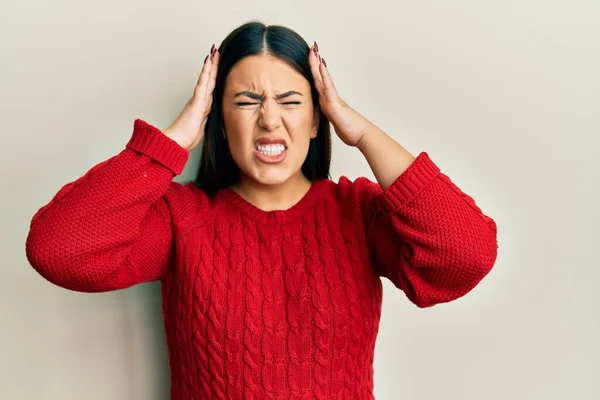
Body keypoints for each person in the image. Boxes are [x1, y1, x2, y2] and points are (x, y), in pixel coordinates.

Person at [25, 20, 498, 400]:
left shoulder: (359, 213)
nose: (270, 120)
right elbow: (57, 250)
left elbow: (467, 256)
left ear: (317, 119)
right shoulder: (181, 219)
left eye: (291, 102)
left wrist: (361, 132)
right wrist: (174, 138)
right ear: (218, 121)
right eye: (246, 102)